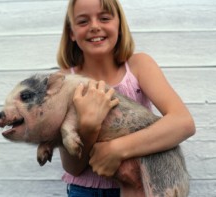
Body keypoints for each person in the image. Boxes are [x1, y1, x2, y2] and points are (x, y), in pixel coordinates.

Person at [56, 0, 196, 196]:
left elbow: (183, 123)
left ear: (119, 26)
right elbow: (73, 168)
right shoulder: (63, 82)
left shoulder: (139, 66)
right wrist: (88, 128)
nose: (95, 26)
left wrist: (116, 149)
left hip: (140, 186)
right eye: (82, 21)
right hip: (84, 190)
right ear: (71, 33)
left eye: (104, 18)